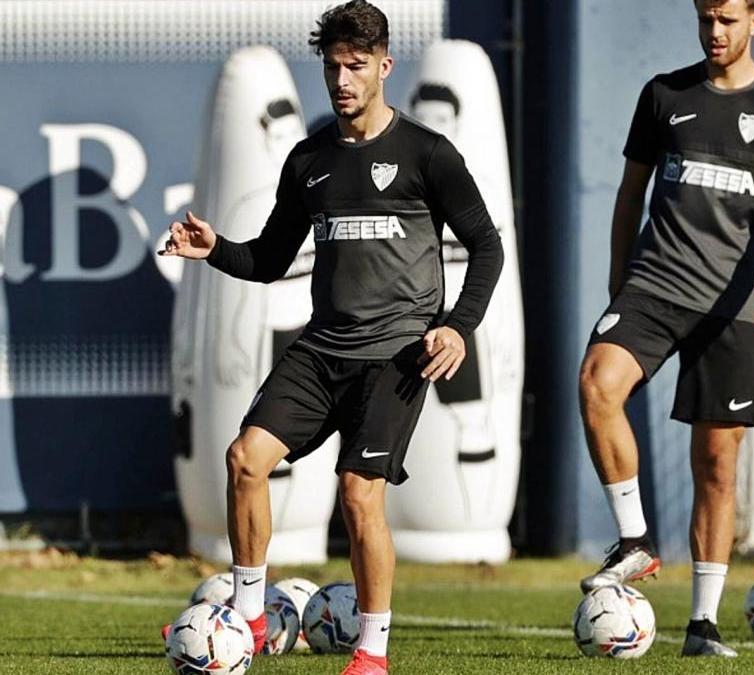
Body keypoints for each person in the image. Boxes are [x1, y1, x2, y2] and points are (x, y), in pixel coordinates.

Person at [159, 2, 503, 673]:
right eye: (332, 66)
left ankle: (371, 653)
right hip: (321, 352)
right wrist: (214, 249)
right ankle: (253, 619)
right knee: (243, 459)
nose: (342, 79)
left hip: (397, 356)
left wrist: (458, 327)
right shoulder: (310, 160)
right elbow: (268, 258)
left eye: (355, 65)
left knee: (356, 492)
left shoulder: (427, 154)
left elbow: (487, 247)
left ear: (384, 66)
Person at [577, 0, 754, 658]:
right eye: (707, 19)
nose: (716, 32)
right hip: (653, 287)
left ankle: (703, 623)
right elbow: (631, 194)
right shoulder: (664, 95)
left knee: (716, 464)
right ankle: (635, 540)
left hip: (731, 307)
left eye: (729, 20)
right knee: (597, 384)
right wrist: (617, 279)